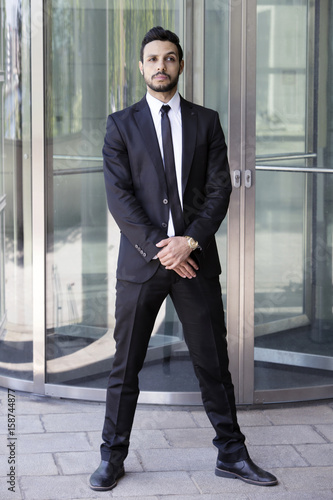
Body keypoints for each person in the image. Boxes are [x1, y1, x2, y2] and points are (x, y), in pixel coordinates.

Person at [89, 26, 278, 491]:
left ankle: (232, 455)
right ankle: (112, 457)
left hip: (196, 262)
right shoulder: (121, 125)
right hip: (142, 266)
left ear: (181, 64)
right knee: (125, 365)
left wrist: (188, 241)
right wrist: (165, 248)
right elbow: (120, 199)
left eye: (169, 58)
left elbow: (219, 190)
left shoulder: (205, 121)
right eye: (152, 59)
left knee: (213, 363)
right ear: (141, 66)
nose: (160, 66)